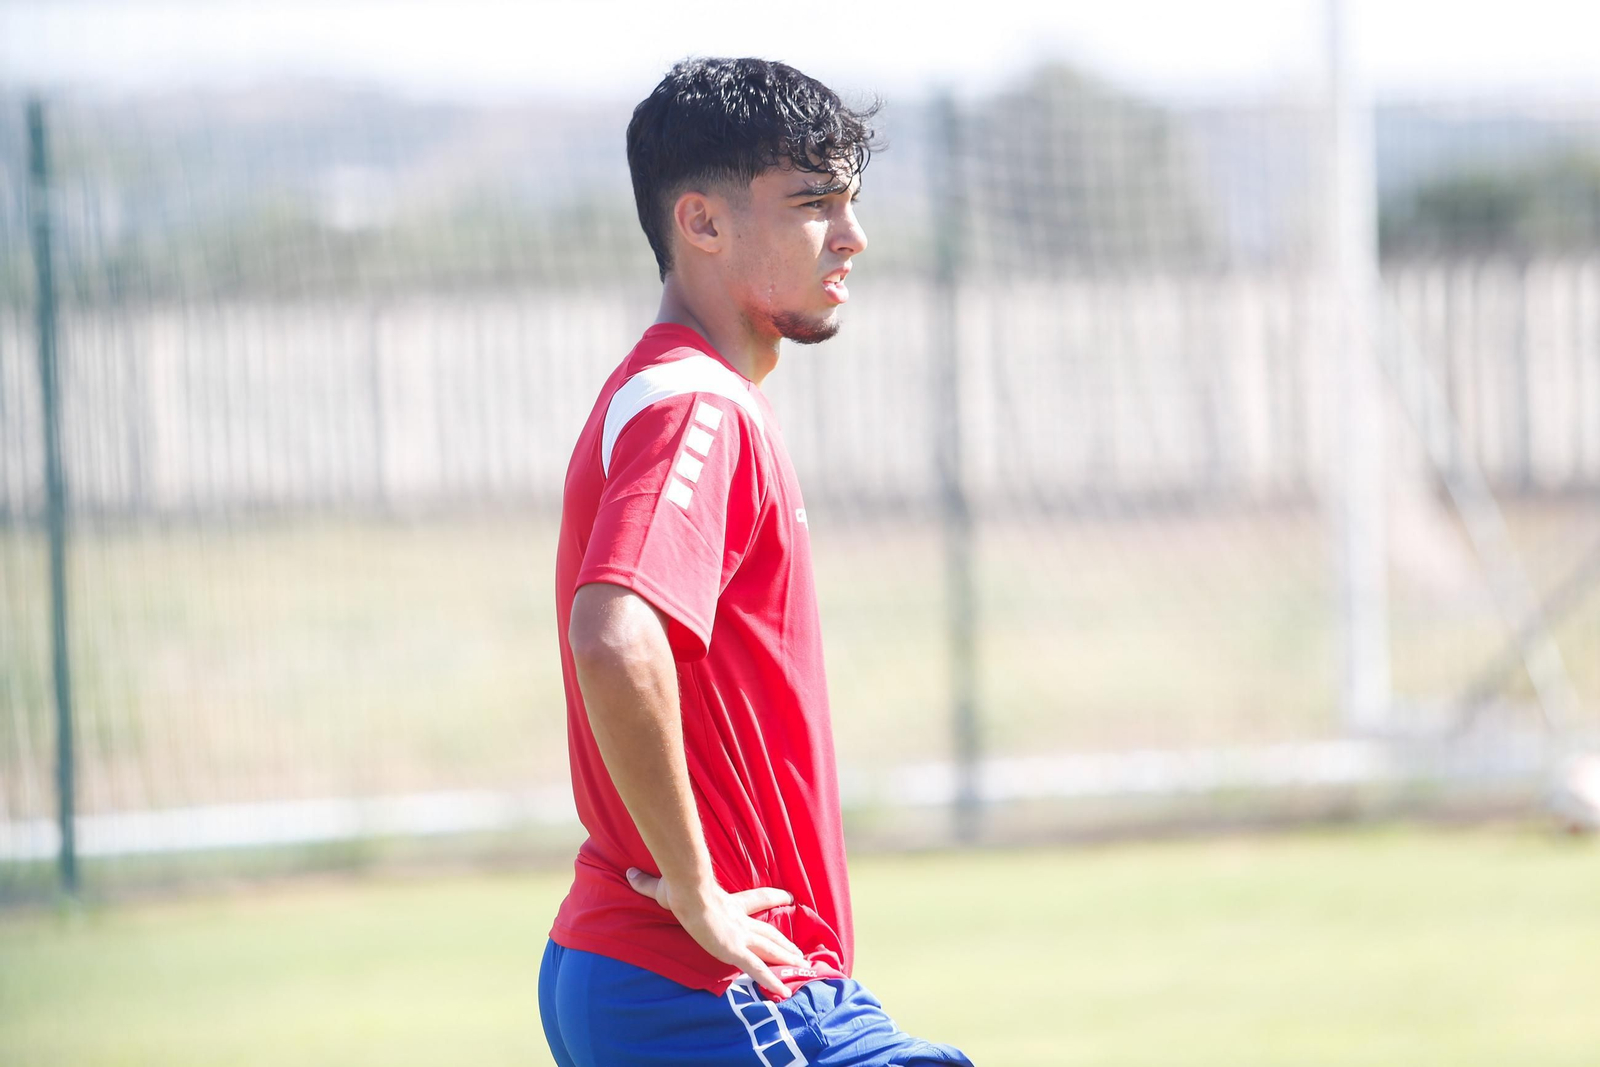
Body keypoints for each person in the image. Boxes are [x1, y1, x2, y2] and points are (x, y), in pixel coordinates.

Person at [539, 57, 976, 1067]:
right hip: (715, 982)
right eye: (815, 204)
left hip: (666, 972)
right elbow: (612, 632)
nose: (853, 237)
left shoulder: (663, 392)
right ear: (701, 222)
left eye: (850, 203)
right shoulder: (698, 405)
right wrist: (694, 887)